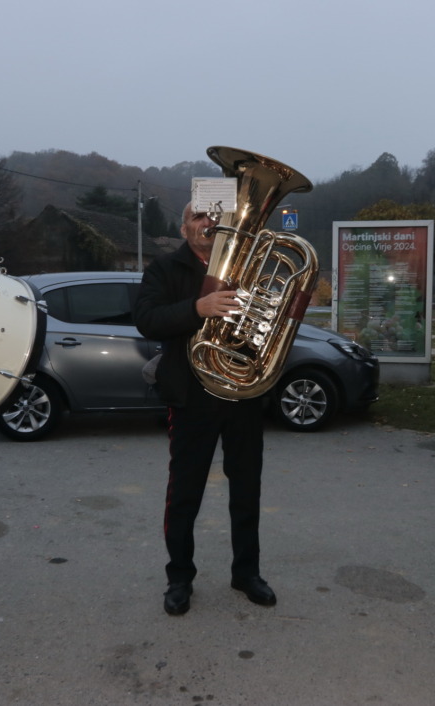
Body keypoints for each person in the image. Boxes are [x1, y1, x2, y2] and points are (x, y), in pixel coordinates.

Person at [133, 203, 276, 616]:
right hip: (191, 397)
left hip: (242, 395)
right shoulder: (165, 268)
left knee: (247, 491)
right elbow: (146, 319)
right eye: (198, 216)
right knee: (184, 496)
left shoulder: (248, 266)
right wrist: (198, 308)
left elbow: (266, 325)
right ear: (183, 227)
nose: (207, 223)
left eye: (214, 216)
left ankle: (246, 573)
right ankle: (179, 578)